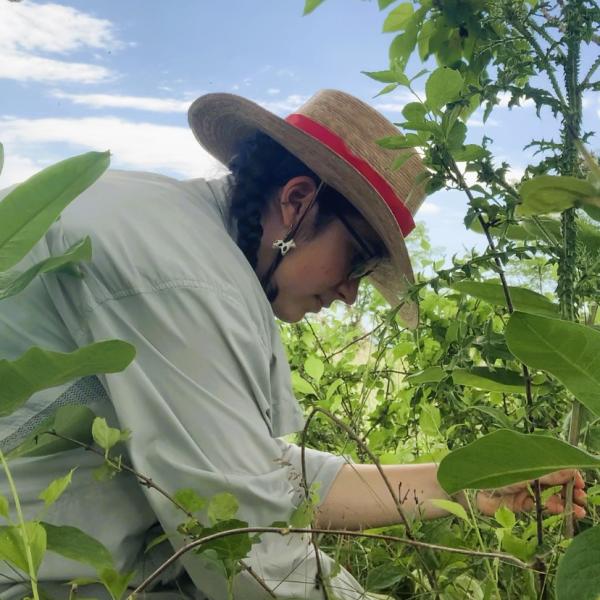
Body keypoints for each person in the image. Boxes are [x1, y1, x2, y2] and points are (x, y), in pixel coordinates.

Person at [0, 90, 586, 600]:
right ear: (298, 200)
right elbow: (246, 554)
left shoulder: (186, 239)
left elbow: (248, 472)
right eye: (357, 258)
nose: (352, 293)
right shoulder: (186, 275)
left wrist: (467, 485)